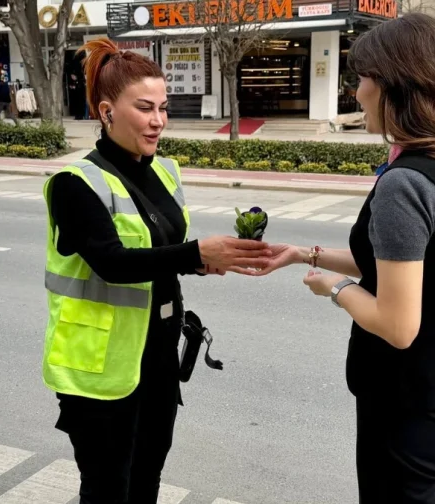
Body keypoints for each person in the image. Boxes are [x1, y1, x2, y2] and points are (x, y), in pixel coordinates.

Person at [248, 13, 435, 504]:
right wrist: (304, 255)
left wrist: (336, 290)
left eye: (363, 79)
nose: (357, 93)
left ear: (396, 86)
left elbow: (396, 323)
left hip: (410, 403)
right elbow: (400, 267)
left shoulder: (406, 184)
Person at [41, 37, 272, 504]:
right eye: (145, 108)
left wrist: (210, 259)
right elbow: (110, 263)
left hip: (158, 360)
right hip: (101, 373)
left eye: (163, 108)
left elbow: (162, 251)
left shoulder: (164, 171)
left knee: (147, 479)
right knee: (109, 489)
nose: (158, 121)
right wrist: (192, 254)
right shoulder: (75, 183)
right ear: (107, 112)